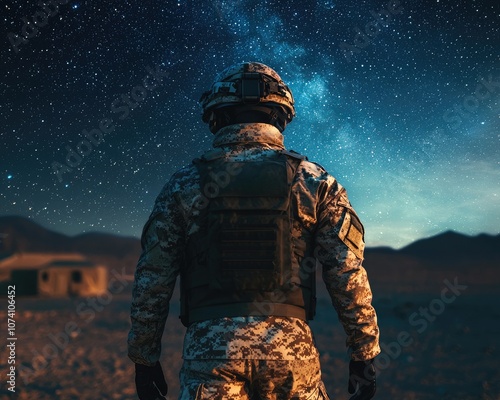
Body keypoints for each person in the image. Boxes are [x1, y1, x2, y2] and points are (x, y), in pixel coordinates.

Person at [128, 61, 381, 400]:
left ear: (217, 116)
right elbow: (346, 272)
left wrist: (144, 357)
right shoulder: (316, 182)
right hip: (291, 353)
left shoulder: (183, 184)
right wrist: (363, 355)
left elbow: (154, 277)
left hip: (211, 354)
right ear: (280, 115)